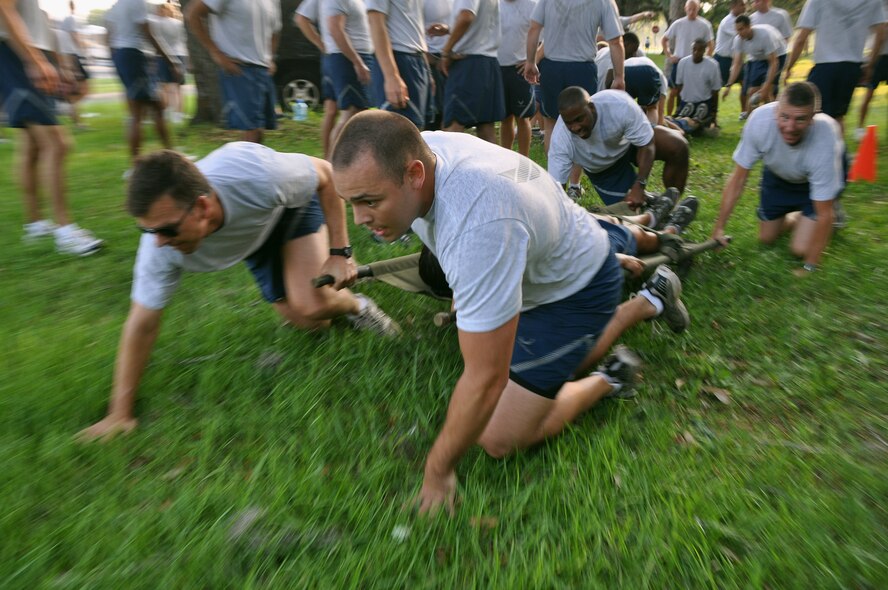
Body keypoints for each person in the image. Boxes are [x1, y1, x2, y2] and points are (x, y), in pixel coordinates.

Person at [331, 110, 690, 515]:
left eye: (369, 201)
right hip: (557, 244)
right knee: (517, 356)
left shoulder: (478, 227)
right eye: (352, 203)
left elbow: (485, 380)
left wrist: (437, 471)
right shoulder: (421, 148)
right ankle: (648, 292)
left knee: (499, 436)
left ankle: (614, 370)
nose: (360, 219)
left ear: (414, 174)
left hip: (578, 290)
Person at [77, 142, 401, 442]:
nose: (158, 241)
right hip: (255, 241)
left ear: (202, 207)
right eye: (147, 230)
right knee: (309, 323)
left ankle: (358, 305)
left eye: (167, 229)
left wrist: (339, 252)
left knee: (313, 304)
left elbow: (326, 176)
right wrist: (120, 414)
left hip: (289, 210)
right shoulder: (158, 248)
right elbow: (142, 324)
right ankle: (324, 290)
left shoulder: (255, 173)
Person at [1, 0, 103, 255]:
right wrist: (34, 60)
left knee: (32, 145)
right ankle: (65, 230)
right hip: (15, 52)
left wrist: (56, 63)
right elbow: (4, 7)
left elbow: (38, 18)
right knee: (57, 144)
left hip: (21, 51)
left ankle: (35, 223)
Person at [711, 82, 843, 275]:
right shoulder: (759, 121)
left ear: (812, 118)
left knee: (800, 249)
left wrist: (810, 266)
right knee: (766, 238)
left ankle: (829, 206)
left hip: (811, 183)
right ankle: (800, 217)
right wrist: (719, 228)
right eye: (785, 117)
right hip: (778, 175)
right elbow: (738, 180)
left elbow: (824, 213)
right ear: (776, 109)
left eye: (800, 119)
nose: (790, 127)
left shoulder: (825, 139)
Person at [522, 0, 624, 177]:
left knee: (551, 125)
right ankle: (574, 184)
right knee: (582, 125)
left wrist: (530, 61)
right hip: (582, 69)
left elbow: (534, 29)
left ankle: (555, 179)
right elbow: (615, 41)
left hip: (552, 68)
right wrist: (619, 77)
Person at [549, 87, 689, 212]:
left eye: (579, 119)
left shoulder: (618, 104)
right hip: (604, 169)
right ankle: (653, 203)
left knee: (677, 146)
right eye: (569, 123)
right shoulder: (560, 139)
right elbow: (556, 191)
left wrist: (640, 185)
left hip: (628, 144)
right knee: (633, 210)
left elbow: (647, 143)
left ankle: (672, 207)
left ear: (591, 107)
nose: (575, 127)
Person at [186, 0, 281, 144]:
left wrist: (270, 57)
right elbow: (193, 14)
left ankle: (248, 164)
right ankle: (246, 165)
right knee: (252, 131)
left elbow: (276, 30)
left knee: (259, 129)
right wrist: (216, 53)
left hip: (262, 70)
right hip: (240, 68)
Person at [784, 0, 887, 133]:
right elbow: (881, 34)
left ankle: (821, 151)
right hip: (852, 67)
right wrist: (870, 65)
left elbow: (801, 39)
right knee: (838, 116)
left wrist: (789, 67)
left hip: (825, 66)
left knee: (812, 114)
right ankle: (839, 152)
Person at [106, 0, 179, 170]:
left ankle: (141, 163)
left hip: (123, 56)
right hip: (135, 56)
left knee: (143, 111)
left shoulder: (115, 7)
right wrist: (170, 59)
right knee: (150, 111)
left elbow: (108, 36)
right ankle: (161, 160)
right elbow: (147, 31)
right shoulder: (136, 2)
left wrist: (116, 59)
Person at [436, 0, 503, 143]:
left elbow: (466, 16)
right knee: (486, 127)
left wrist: (446, 51)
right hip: (488, 62)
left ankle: (450, 166)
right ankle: (495, 166)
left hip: (468, 63)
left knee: (452, 126)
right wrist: (450, 29)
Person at [365, 0, 429, 127]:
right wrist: (391, 76)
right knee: (397, 134)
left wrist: (427, 70)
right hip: (398, 60)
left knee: (415, 132)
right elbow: (375, 20)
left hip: (416, 59)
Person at [322, 0, 376, 143]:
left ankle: (342, 161)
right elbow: (335, 28)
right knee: (351, 113)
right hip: (346, 59)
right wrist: (357, 62)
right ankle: (333, 163)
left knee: (359, 113)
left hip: (359, 57)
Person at [295, 0, 339, 159]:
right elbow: (301, 18)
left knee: (333, 110)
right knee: (336, 110)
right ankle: (329, 158)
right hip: (337, 57)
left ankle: (330, 158)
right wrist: (322, 45)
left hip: (341, 56)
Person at [722, 16, 785, 120]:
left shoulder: (764, 35)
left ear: (749, 26)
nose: (739, 33)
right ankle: (751, 124)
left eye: (741, 29)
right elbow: (737, 64)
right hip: (759, 58)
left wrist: (765, 87)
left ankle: (776, 119)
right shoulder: (738, 39)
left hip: (778, 56)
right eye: (737, 30)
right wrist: (729, 85)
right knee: (752, 93)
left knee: (768, 91)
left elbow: (774, 62)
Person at [603, 33, 669, 127]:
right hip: (647, 70)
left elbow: (610, 77)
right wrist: (660, 122)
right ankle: (651, 132)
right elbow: (660, 110)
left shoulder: (613, 57)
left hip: (624, 69)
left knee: (622, 106)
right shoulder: (659, 78)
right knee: (652, 108)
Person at [497, 0, 536, 156]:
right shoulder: (495, 4)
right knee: (505, 119)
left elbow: (546, 35)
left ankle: (523, 160)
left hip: (520, 70)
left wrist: (531, 60)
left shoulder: (532, 5)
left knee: (522, 117)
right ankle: (506, 158)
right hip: (498, 68)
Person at [662, 0, 713, 116]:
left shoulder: (705, 25)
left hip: (696, 63)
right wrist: (669, 55)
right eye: (689, 9)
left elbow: (710, 45)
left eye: (694, 9)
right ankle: (668, 116)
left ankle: (683, 113)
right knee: (674, 91)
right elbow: (664, 39)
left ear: (698, 9)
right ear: (685, 9)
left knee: (688, 92)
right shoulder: (678, 24)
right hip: (679, 61)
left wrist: (706, 59)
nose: (691, 12)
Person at [670, 38, 722, 135]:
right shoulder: (683, 63)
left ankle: (695, 119)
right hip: (686, 103)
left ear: (704, 51)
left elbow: (715, 91)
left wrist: (714, 114)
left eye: (699, 50)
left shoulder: (713, 65)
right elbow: (679, 87)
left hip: (704, 103)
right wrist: (678, 107)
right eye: (694, 49)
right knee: (685, 122)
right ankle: (683, 117)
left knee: (695, 125)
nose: (696, 52)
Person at [856, 1, 888, 138]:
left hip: (880, 57)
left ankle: (859, 128)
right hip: (878, 57)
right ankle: (859, 128)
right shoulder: (873, 10)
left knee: (869, 94)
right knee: (869, 94)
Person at [150, 2, 186, 124]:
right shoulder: (179, 23)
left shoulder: (156, 23)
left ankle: (165, 112)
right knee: (178, 87)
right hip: (180, 54)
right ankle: (179, 114)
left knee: (163, 87)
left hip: (163, 56)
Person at [749, 0, 792, 99]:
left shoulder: (780, 15)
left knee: (771, 89)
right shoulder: (751, 19)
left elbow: (786, 38)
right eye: (753, 1)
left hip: (776, 58)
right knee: (753, 90)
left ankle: (772, 110)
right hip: (758, 60)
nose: (754, 3)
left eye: (757, 1)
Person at [59, 0, 90, 128]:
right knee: (83, 89)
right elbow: (74, 35)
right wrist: (83, 49)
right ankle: (70, 110)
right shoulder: (71, 19)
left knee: (78, 89)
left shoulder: (65, 20)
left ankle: (73, 114)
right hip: (73, 54)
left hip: (69, 53)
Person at [422, 0, 451, 131]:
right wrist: (430, 60)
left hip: (454, 58)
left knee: (451, 116)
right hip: (430, 60)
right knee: (433, 118)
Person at [714, 0, 746, 117]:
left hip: (736, 59)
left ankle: (744, 112)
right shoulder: (728, 22)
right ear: (733, 6)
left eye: (744, 4)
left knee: (745, 84)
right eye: (741, 5)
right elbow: (742, 35)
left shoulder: (741, 20)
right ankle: (713, 114)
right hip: (723, 60)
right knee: (716, 88)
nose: (744, 7)